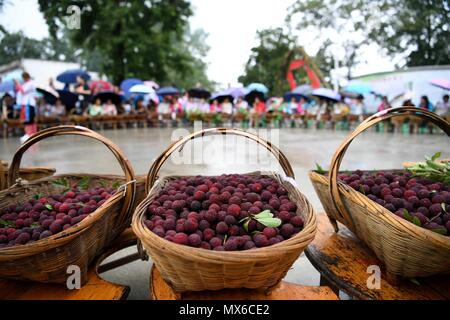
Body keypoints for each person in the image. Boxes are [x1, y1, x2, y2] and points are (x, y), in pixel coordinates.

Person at [14, 72, 37, 143]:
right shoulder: (26, 83)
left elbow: (23, 90)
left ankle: (29, 134)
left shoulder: (30, 83)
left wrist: (17, 84)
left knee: (28, 119)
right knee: (30, 119)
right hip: (27, 103)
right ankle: (31, 133)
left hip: (28, 103)